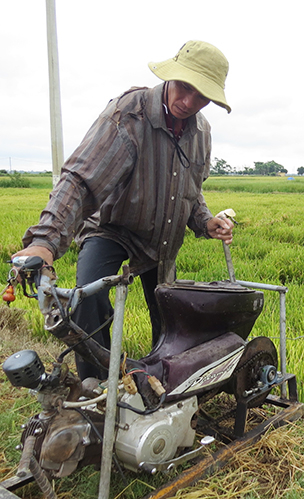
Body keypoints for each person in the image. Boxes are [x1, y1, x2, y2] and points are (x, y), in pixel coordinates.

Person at [12, 40, 235, 380]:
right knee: (88, 300)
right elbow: (81, 179)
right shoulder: (129, 115)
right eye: (185, 88)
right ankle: (97, 390)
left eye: (201, 96)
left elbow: (191, 192)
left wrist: (206, 222)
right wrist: (45, 240)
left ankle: (160, 392)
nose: (189, 102)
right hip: (113, 229)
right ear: (171, 76)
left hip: (162, 240)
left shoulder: (201, 131)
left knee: (172, 326)